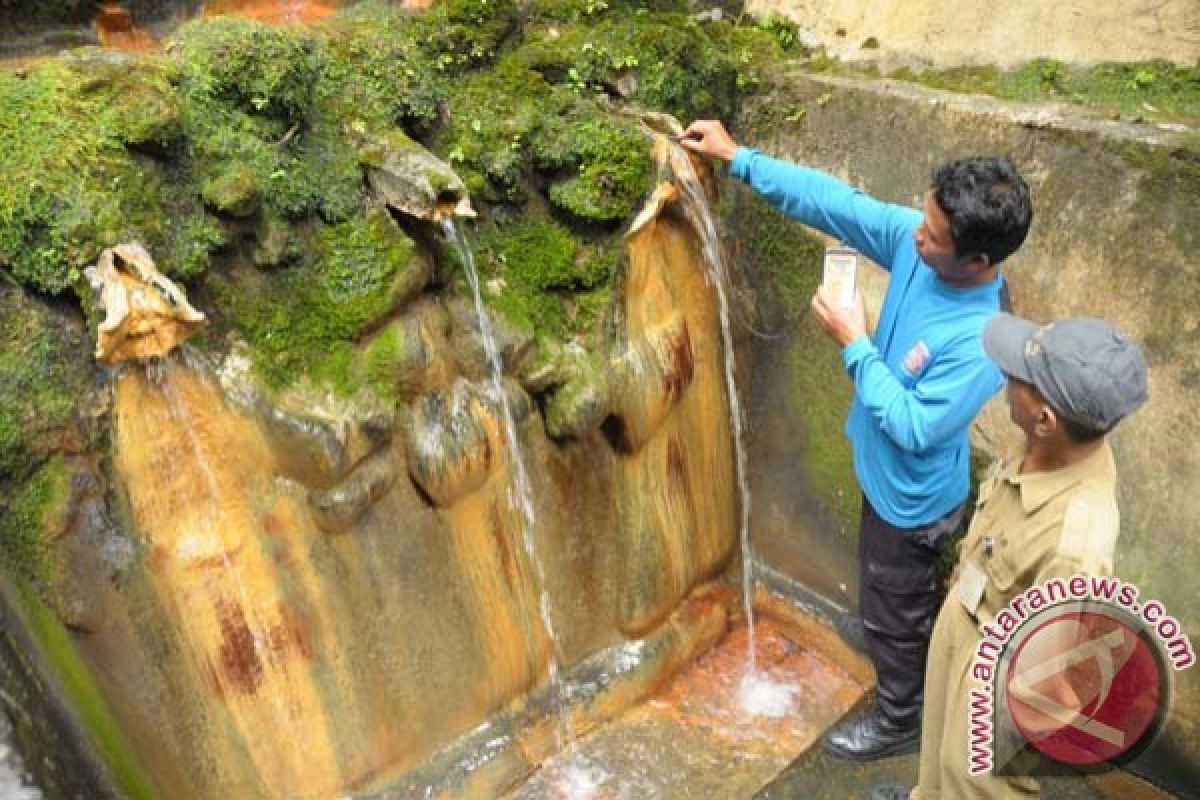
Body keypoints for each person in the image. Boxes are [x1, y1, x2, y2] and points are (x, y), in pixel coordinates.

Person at [680, 120, 1034, 759]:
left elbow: (913, 425)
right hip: (885, 481)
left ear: (979, 261)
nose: (915, 235)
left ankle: (901, 716)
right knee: (887, 589)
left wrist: (854, 342)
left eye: (931, 235)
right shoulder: (919, 241)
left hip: (914, 502)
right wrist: (740, 159)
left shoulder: (979, 339)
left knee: (897, 596)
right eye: (921, 220)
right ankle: (888, 624)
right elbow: (836, 204)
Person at [867, 313, 1149, 800]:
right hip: (970, 609)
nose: (1007, 376)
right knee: (937, 743)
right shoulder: (1048, 443)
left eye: (1021, 378)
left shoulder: (1075, 541)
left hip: (1008, 666)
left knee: (975, 776)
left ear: (1046, 419)